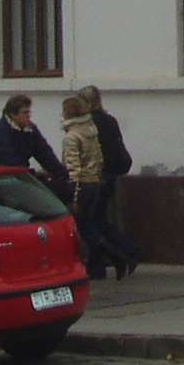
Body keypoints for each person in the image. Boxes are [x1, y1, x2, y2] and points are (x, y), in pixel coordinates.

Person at [67, 87, 140, 279]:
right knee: (97, 220)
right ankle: (109, 259)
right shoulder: (109, 120)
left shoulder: (87, 125)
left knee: (91, 221)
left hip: (94, 177)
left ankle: (122, 253)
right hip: (110, 175)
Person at [0, 93, 68, 192]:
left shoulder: (30, 129)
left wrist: (63, 174)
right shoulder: (0, 131)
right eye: (25, 112)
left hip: (20, 176)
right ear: (13, 114)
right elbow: (10, 161)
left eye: (29, 112)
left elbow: (45, 153)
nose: (29, 116)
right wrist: (33, 175)